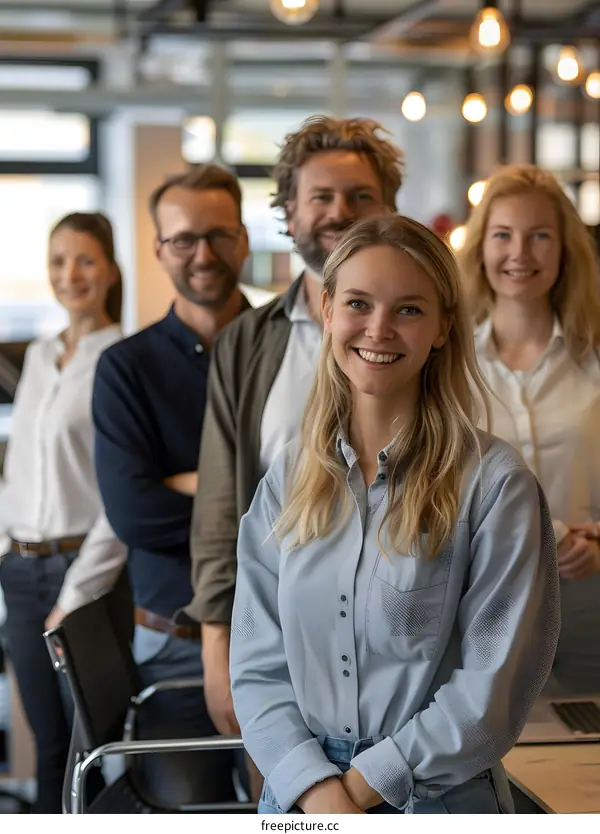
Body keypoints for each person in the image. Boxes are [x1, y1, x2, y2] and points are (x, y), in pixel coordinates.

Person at [229, 214, 560, 815]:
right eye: (358, 302)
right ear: (327, 310)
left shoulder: (495, 484)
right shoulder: (289, 476)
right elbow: (257, 663)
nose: (378, 329)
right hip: (299, 797)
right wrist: (316, 791)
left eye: (408, 309)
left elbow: (493, 689)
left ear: (441, 329)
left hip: (437, 797)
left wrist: (357, 790)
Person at [185, 117, 405, 747]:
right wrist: (218, 644)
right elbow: (221, 504)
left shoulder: (428, 334)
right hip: (278, 651)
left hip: (407, 647)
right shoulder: (245, 343)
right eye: (321, 197)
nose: (341, 212)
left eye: (360, 196)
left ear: (387, 207)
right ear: (288, 211)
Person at [92, 163, 256, 802]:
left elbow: (323, 496)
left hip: (294, 640)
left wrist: (191, 485)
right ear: (160, 250)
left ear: (243, 239)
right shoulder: (124, 369)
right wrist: (256, 502)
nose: (203, 255)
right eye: (183, 240)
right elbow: (135, 514)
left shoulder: (297, 351)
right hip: (175, 650)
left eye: (218, 235)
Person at [0, 212, 126, 813]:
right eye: (58, 260)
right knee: (48, 744)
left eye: (84, 260)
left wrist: (75, 593)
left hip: (85, 574)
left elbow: (120, 495)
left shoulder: (121, 358)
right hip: (20, 573)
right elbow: (19, 468)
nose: (69, 274)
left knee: (88, 748)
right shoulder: (41, 354)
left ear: (110, 270)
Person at [460, 163, 600, 694]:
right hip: (483, 604)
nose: (520, 253)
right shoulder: (448, 365)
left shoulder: (594, 360)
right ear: (481, 248)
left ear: (564, 250)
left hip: (588, 603)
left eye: (539, 235)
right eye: (503, 235)